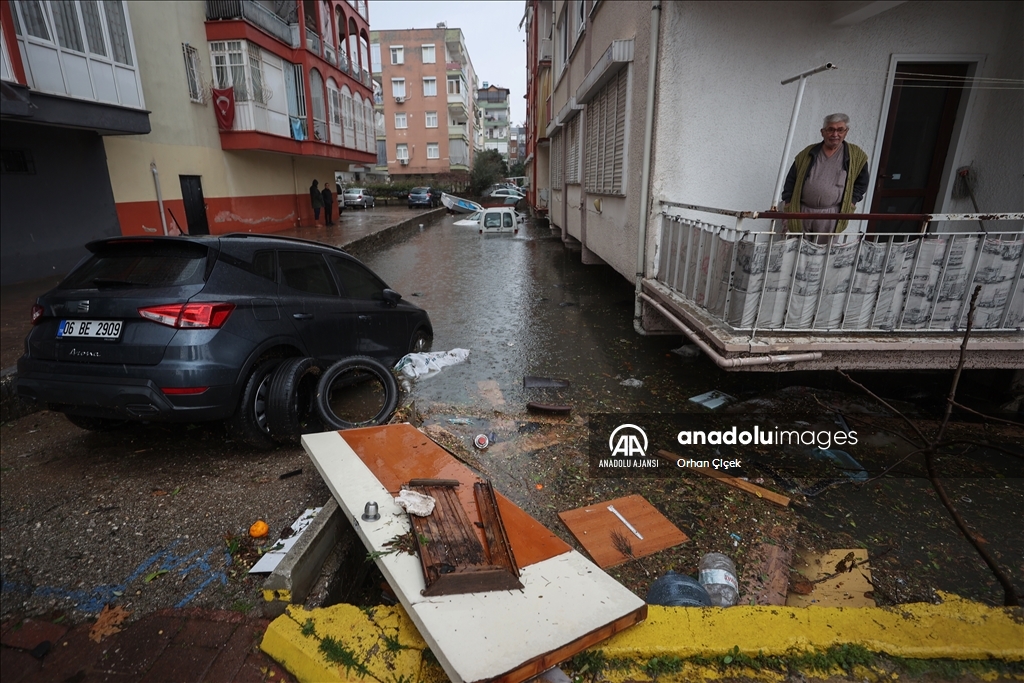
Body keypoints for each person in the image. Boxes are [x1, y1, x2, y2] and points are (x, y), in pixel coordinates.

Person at [781, 113, 869, 240]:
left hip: (832, 215)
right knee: (796, 253)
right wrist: (788, 203)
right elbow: (791, 180)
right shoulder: (807, 153)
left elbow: (861, 183)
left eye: (840, 130)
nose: (835, 134)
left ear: (846, 132)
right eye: (831, 129)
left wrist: (852, 202)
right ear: (823, 132)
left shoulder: (856, 156)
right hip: (802, 212)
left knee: (823, 256)